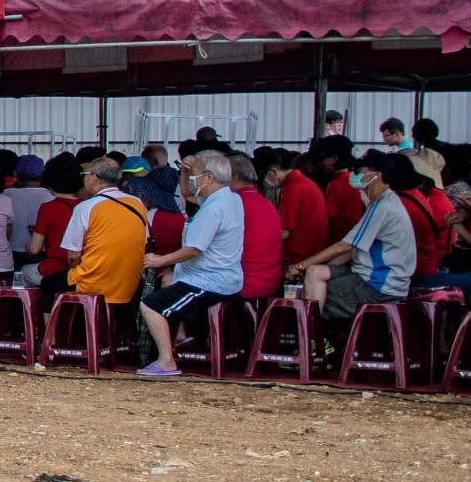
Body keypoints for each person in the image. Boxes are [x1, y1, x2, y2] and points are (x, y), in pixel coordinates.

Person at [135, 151, 245, 377]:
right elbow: (187, 193)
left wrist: (161, 260)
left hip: (209, 280)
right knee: (167, 282)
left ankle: (166, 360)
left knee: (150, 304)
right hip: (224, 276)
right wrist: (185, 172)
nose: (193, 181)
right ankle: (179, 336)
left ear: (209, 178)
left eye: (196, 176)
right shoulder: (229, 197)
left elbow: (194, 249)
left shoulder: (213, 209)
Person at [290, 150, 417, 341]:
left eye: (360, 170)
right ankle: (314, 339)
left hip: (379, 286)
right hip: (372, 277)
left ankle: (313, 342)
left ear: (377, 175)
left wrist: (300, 265)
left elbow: (345, 246)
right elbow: (353, 249)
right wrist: (311, 267)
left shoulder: (383, 207)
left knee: (309, 294)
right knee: (315, 274)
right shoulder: (381, 203)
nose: (355, 174)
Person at [60, 158, 151, 317]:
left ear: (93, 177)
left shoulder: (85, 207)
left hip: (93, 284)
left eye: (85, 174)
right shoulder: (137, 204)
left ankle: (56, 337)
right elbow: (143, 242)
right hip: (129, 283)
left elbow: (73, 257)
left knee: (48, 284)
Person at [229, 154, 286, 300]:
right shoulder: (266, 203)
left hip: (243, 284)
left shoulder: (234, 203)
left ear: (234, 177)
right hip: (271, 282)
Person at [25, 153, 84, 292]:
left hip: (52, 270)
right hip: (80, 271)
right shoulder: (86, 206)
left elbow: (34, 250)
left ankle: (34, 312)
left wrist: (27, 245)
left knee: (24, 271)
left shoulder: (47, 208)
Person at [277, 148, 333, 264]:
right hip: (312, 253)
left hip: (295, 256)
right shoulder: (307, 183)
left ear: (274, 171)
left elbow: (284, 232)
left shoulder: (292, 187)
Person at [2, 156, 53, 271]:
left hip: (10, 254)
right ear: (42, 177)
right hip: (41, 253)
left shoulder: (5, 196)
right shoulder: (50, 197)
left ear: (15, 174)